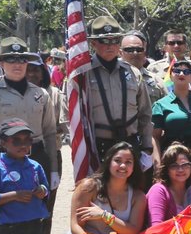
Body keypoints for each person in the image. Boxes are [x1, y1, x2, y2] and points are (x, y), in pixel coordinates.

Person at [0, 38, 59, 193]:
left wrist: (53, 168)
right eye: (10, 59)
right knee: (7, 208)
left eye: (22, 60)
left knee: (40, 208)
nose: (17, 64)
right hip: (4, 163)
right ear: (1, 64)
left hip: (37, 160)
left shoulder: (41, 94)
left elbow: (50, 133)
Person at [67, 16, 157, 167]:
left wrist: (147, 148)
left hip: (131, 144)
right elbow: (72, 114)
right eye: (104, 41)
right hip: (98, 148)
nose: (110, 46)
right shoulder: (83, 75)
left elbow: (145, 113)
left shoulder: (133, 73)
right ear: (93, 43)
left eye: (115, 40)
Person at [25, 54, 65, 234]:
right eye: (28, 69)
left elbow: (62, 124)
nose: (32, 74)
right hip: (19, 155)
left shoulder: (54, 94)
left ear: (44, 72)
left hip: (49, 154)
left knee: (45, 211)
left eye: (36, 70)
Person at [150, 58, 191, 161]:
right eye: (177, 71)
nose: (181, 74)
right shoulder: (160, 105)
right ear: (170, 76)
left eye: (186, 71)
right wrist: (157, 163)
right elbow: (155, 137)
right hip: (173, 159)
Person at [146, 144, 191, 227]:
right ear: (166, 169)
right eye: (174, 166)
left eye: (185, 165)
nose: (180, 170)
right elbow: (156, 227)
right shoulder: (158, 190)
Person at [121, 32, 166, 103]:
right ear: (120, 53)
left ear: (144, 52)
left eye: (139, 50)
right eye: (130, 50)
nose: (135, 53)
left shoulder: (156, 80)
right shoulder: (113, 78)